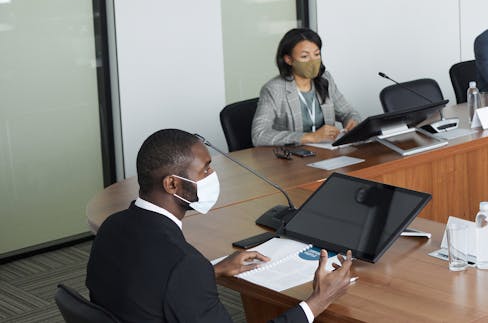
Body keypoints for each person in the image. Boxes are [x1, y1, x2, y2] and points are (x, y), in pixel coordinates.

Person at [87, 129, 355, 321]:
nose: (212, 176)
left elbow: (150, 282)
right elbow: (175, 273)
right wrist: (318, 301)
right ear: (172, 184)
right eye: (205, 170)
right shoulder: (183, 264)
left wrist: (212, 270)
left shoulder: (112, 226)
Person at [252, 28, 362, 147]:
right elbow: (259, 135)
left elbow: (348, 112)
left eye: (316, 54)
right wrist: (309, 137)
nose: (313, 61)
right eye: (304, 56)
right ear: (289, 59)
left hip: (326, 153)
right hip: (291, 158)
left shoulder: (325, 79)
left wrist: (353, 122)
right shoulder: (274, 89)